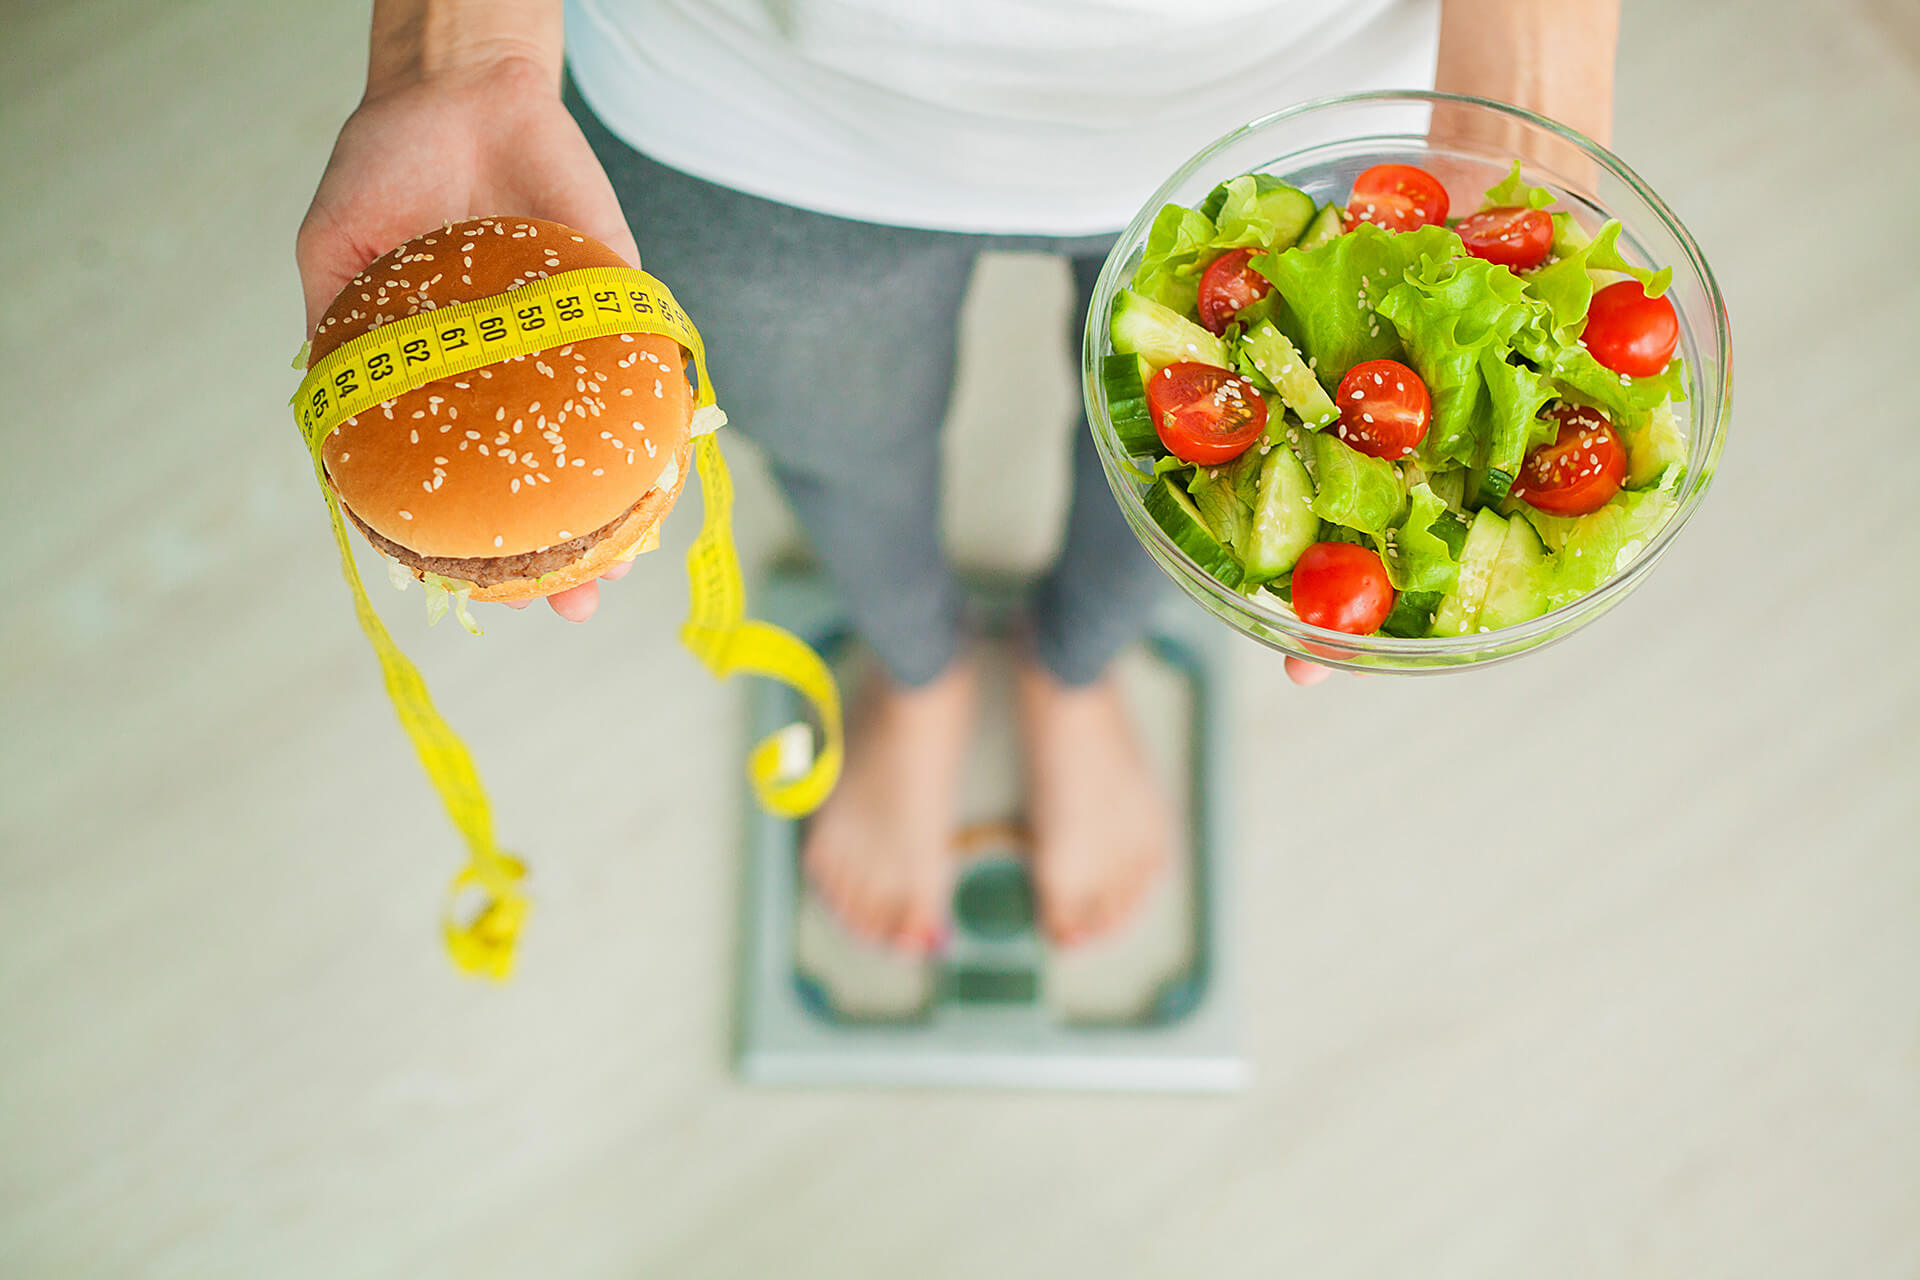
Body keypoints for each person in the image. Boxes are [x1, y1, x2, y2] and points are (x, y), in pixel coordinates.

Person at [298, 0, 1620, 953]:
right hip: (736, 104)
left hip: (1301, 101)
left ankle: (1077, 666)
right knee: (834, 447)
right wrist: (454, 52)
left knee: (1213, 486)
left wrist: (1525, 121)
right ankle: (918, 670)